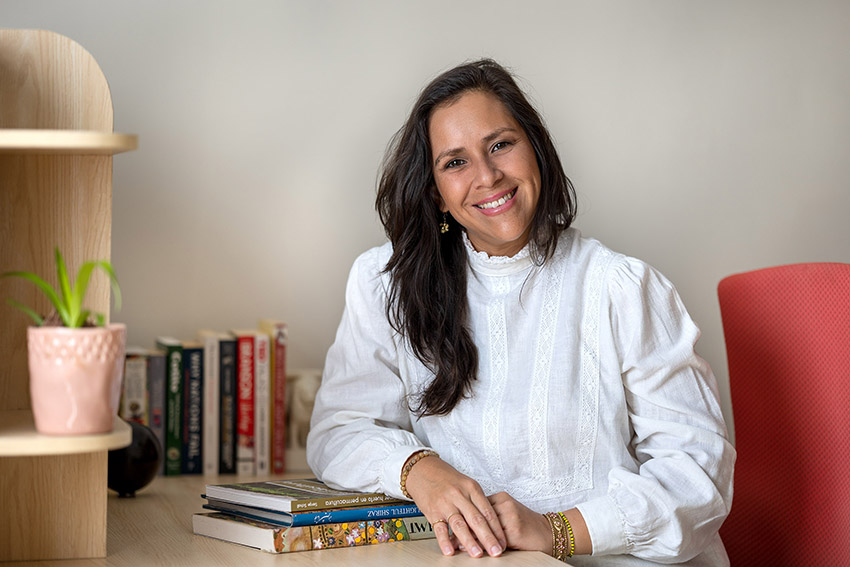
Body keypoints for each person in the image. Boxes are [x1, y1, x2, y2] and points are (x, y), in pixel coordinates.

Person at [306, 59, 735, 566]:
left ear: (536, 150)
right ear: (437, 195)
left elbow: (696, 479)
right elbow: (338, 432)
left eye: (500, 145)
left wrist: (555, 530)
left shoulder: (623, 288)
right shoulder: (386, 283)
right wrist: (418, 469)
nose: (487, 177)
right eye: (455, 162)